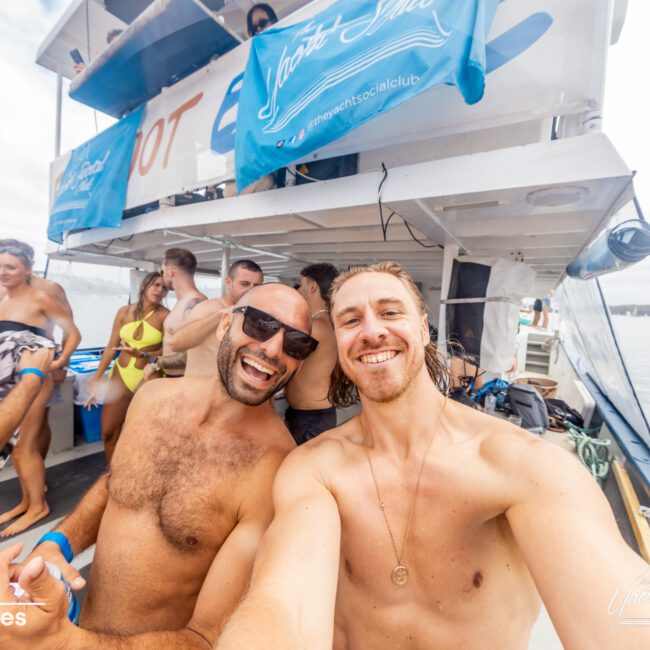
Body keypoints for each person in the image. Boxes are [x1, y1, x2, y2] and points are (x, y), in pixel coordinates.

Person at [216, 261, 650, 650]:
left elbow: (619, 608)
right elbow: (282, 604)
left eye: (390, 312)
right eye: (351, 320)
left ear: (423, 329)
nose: (371, 331)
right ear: (338, 341)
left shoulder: (523, 465)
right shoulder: (315, 469)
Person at [0, 284, 319, 648]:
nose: (273, 349)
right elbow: (114, 485)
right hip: (79, 628)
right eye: (261, 325)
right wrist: (58, 542)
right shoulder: (152, 398)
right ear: (224, 325)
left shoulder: (277, 471)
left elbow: (207, 636)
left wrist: (64, 643)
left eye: (296, 343)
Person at [0, 240, 81, 537]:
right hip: (8, 378)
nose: (3, 272)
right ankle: (25, 501)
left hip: (35, 376)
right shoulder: (3, 295)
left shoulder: (45, 294)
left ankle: (38, 507)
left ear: (27, 267)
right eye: (0, 265)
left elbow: (72, 332)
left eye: (10, 266)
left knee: (24, 448)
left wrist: (59, 362)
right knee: (13, 446)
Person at [83, 272, 169, 462]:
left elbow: (169, 352)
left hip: (150, 376)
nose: (160, 290)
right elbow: (109, 347)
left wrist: (144, 354)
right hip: (120, 374)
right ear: (144, 286)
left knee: (143, 436)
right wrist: (96, 380)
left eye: (164, 288)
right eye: (156, 285)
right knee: (108, 431)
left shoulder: (165, 316)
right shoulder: (123, 311)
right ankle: (112, 477)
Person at [165, 259, 263, 377]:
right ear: (228, 282)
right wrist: (219, 316)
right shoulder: (209, 307)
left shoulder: (255, 316)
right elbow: (175, 344)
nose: (250, 290)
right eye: (244, 284)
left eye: (256, 286)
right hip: (200, 391)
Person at [285, 263, 339, 444]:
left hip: (311, 419)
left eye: (300, 285)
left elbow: (280, 358)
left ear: (313, 286)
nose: (298, 290)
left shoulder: (316, 327)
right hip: (306, 415)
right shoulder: (325, 322)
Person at [144, 248, 207, 379]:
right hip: (172, 377)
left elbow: (192, 354)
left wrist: (155, 363)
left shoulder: (196, 304)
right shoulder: (182, 303)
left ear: (170, 272)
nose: (162, 276)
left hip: (184, 379)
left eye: (162, 272)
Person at [0, 349, 54, 449]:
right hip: (32, 375)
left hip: (34, 375)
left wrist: (31, 379)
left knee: (23, 449)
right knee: (24, 449)